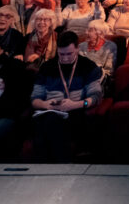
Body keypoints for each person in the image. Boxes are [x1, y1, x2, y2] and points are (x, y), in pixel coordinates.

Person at [31, 31, 102, 162]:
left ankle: (52, 167)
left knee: (49, 126)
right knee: (49, 120)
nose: (64, 58)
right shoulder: (47, 67)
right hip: (49, 110)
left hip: (76, 112)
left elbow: (96, 97)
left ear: (77, 49)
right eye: (61, 54)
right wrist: (45, 104)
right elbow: (35, 99)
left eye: (69, 54)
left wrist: (76, 104)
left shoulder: (88, 66)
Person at [78, 20, 117, 88]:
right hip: (81, 78)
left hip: (100, 80)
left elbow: (109, 71)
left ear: (100, 33)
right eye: (87, 29)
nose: (86, 32)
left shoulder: (110, 47)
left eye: (90, 30)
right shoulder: (81, 46)